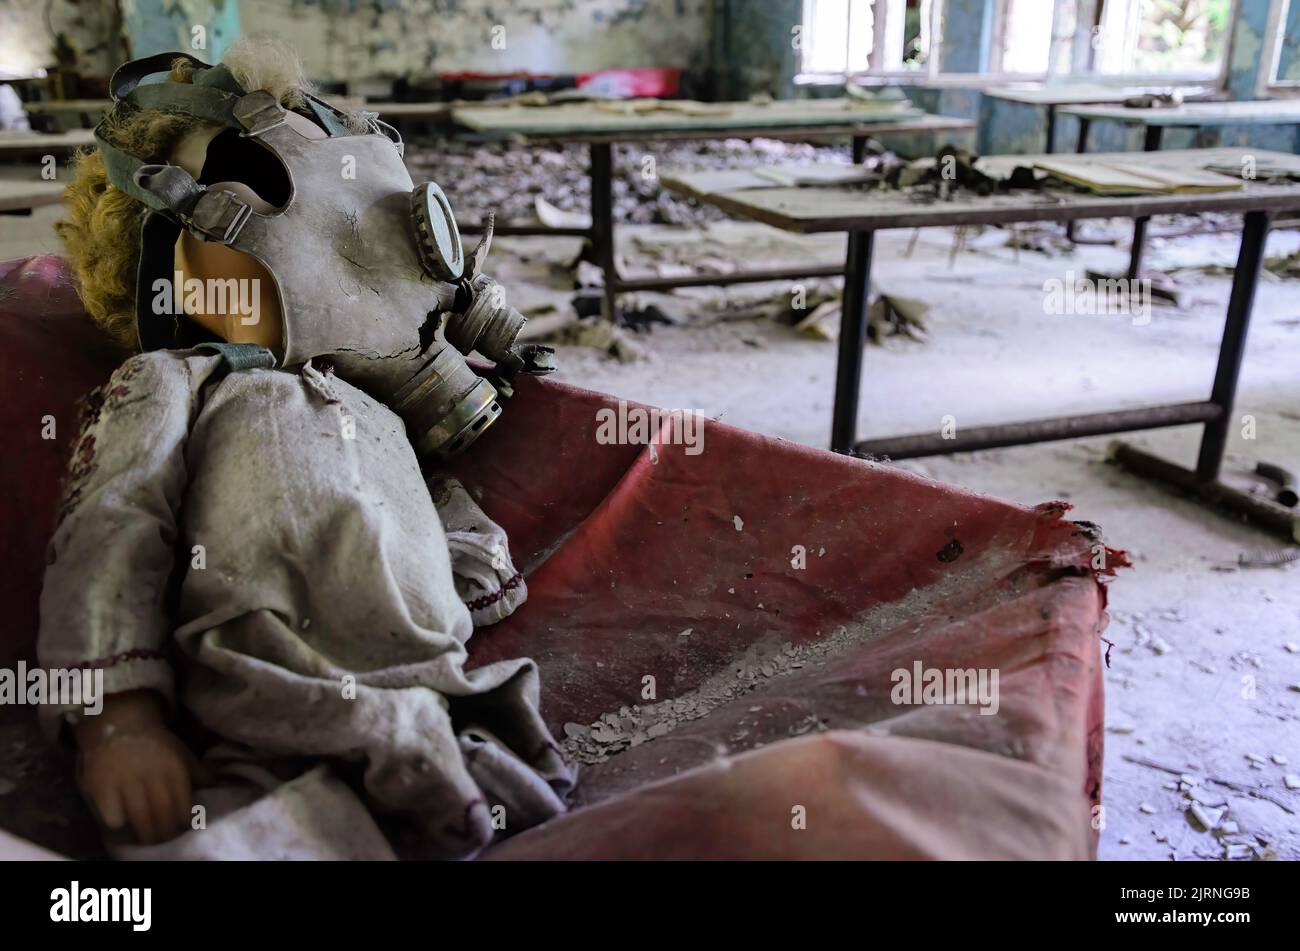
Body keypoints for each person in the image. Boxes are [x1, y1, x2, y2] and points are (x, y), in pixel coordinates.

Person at [41, 37, 571, 860]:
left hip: (427, 685)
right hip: (276, 691)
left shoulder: (382, 412)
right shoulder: (177, 382)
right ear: (182, 266)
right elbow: (110, 524)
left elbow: (461, 551)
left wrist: (468, 573)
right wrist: (117, 717)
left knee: (467, 788)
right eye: (268, 190)